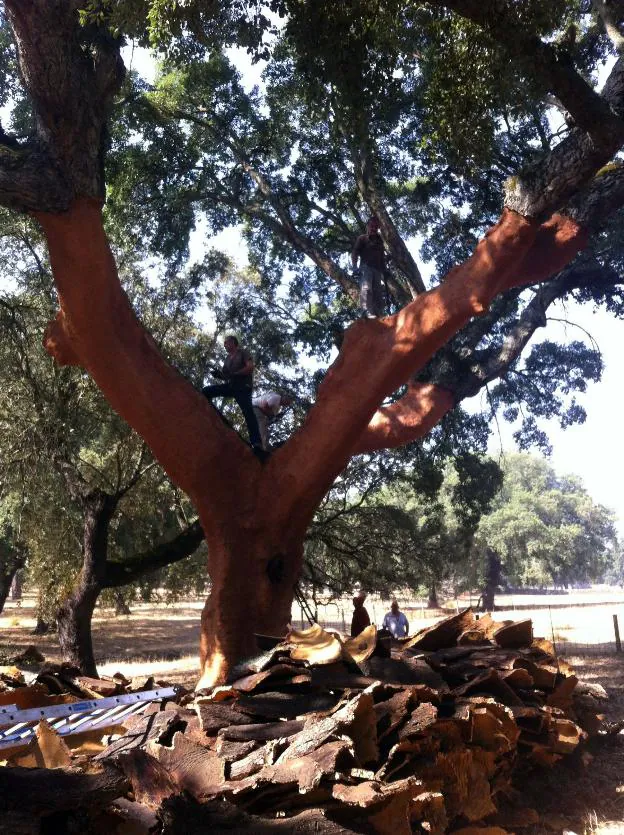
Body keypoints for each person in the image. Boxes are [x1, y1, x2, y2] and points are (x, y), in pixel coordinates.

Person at [203, 335, 262, 451]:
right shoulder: (227, 359)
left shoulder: (243, 352)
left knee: (248, 413)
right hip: (231, 386)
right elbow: (226, 376)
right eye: (224, 343)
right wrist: (218, 375)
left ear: (233, 342)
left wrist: (235, 374)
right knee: (206, 391)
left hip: (243, 387)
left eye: (227, 342)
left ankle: (257, 444)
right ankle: (215, 419)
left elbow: (250, 368)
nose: (225, 345)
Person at [351, 216, 386, 318]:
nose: (373, 228)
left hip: (377, 270)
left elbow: (382, 257)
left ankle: (380, 315)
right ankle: (366, 311)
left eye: (376, 226)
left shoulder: (380, 241)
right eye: (371, 226)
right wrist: (354, 267)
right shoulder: (362, 238)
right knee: (366, 289)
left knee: (378, 293)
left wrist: (385, 270)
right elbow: (354, 253)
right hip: (365, 267)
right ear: (367, 226)